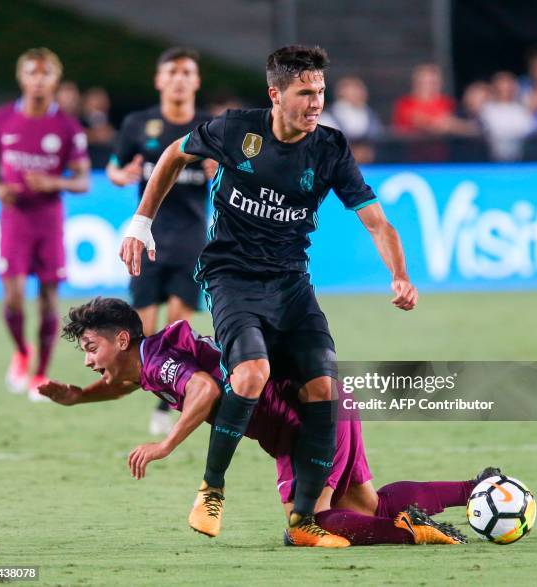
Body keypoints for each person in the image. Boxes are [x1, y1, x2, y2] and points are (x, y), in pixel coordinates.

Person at [119, 44, 418, 547]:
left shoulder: (330, 148)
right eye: (305, 93)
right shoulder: (237, 130)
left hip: (291, 281)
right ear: (276, 94)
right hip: (231, 276)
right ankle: (212, 488)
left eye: (321, 91)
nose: (316, 102)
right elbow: (174, 154)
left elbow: (375, 220)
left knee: (323, 386)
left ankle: (303, 522)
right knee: (251, 374)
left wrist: (400, 274)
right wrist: (141, 223)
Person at [39, 297, 476, 546]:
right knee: (366, 506)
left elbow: (205, 389)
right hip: (325, 402)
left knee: (309, 523)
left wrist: (165, 445)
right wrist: (78, 398)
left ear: (122, 339)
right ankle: (476, 489)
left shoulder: (160, 364)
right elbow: (126, 383)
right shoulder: (150, 362)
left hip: (302, 424)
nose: (89, 360)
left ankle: (409, 532)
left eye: (91, 347)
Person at [106, 47, 214, 436]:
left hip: (190, 240)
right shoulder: (139, 124)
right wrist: (122, 175)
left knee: (177, 330)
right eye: (173, 72)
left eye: (187, 72)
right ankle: (164, 391)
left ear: (196, 81)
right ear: (159, 80)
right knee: (143, 334)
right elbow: (115, 168)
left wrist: (219, 170)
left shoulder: (210, 128)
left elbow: (237, 175)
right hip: (147, 237)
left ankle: (166, 404)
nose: (180, 78)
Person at [0, 47, 90, 400]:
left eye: (46, 74)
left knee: (47, 298)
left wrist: (54, 183)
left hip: (48, 221)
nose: (38, 80)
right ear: (22, 78)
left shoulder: (66, 127)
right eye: (32, 73)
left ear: (55, 80)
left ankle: (40, 373)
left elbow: (82, 180)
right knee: (13, 297)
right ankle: (22, 352)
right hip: (14, 219)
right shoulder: (1, 119)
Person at [480, 72, 533, 161]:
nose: (505, 88)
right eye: (501, 84)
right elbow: (493, 129)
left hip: (520, 158)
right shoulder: (486, 109)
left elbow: (527, 129)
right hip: (492, 158)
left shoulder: (521, 109)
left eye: (509, 85)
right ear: (494, 87)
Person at [392, 64, 456, 135]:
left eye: (433, 83)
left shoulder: (448, 102)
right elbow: (418, 121)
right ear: (415, 83)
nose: (428, 86)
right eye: (424, 82)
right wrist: (445, 124)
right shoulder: (404, 103)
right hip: (412, 145)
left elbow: (461, 125)